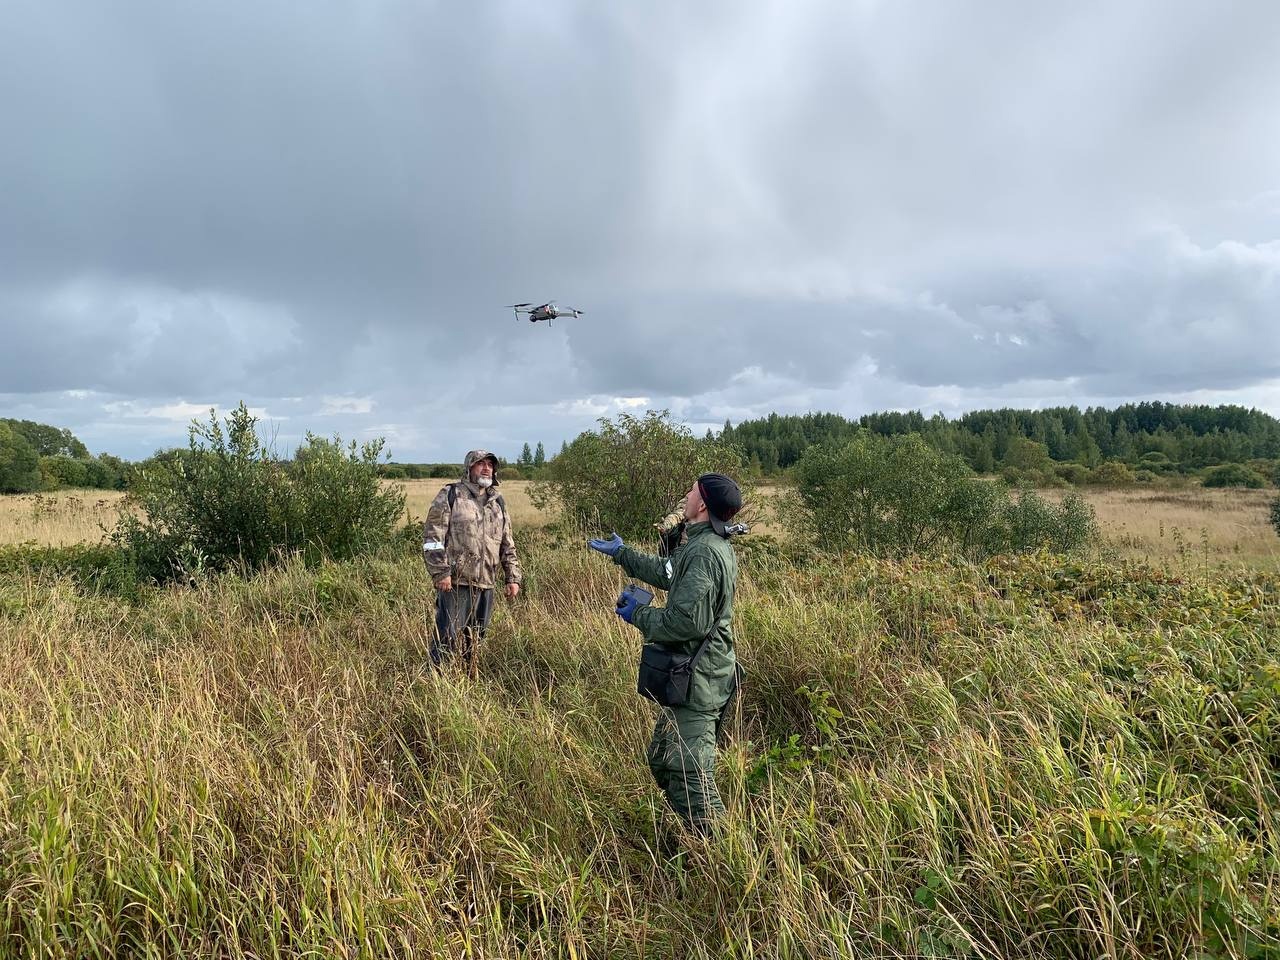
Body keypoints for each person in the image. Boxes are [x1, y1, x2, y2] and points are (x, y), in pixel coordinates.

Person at [588, 472, 743, 833]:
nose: (685, 496)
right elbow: (669, 572)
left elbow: (684, 623)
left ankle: (718, 852)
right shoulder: (701, 545)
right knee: (662, 759)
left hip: (700, 679)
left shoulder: (705, 553)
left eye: (691, 491)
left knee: (691, 773)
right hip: (693, 674)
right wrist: (623, 554)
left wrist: (637, 614)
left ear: (702, 504)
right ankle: (692, 835)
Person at [422, 450, 522, 677]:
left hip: (486, 583)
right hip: (457, 582)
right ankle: (436, 683)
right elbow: (432, 537)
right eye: (480, 464)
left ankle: (468, 682)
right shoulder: (452, 495)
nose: (486, 468)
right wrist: (441, 573)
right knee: (447, 637)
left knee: (476, 640)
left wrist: (512, 577)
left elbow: (507, 543)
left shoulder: (498, 503)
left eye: (490, 464)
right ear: (469, 468)